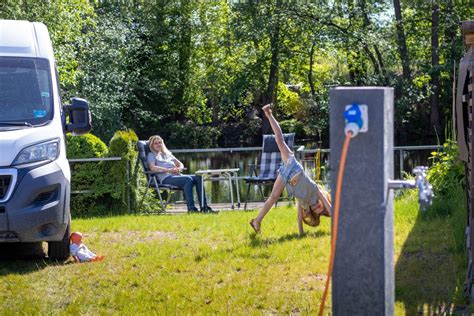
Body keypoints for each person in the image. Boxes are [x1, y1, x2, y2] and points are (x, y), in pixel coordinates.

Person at [249, 104, 332, 235]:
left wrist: (301, 234)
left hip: (286, 178)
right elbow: (330, 209)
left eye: (316, 209)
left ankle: (256, 221)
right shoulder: (317, 191)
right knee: (280, 141)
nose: (317, 206)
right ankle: (269, 114)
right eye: (320, 206)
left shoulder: (304, 203)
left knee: (273, 197)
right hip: (293, 167)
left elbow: (299, 219)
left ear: (312, 211)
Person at [147, 135, 214, 213]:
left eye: (160, 142)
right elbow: (152, 167)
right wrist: (168, 170)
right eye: (156, 143)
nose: (158, 144)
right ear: (152, 145)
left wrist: (179, 168)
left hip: (177, 176)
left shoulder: (166, 154)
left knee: (198, 178)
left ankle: (204, 207)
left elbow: (180, 163)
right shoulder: (151, 155)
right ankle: (191, 209)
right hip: (166, 178)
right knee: (187, 179)